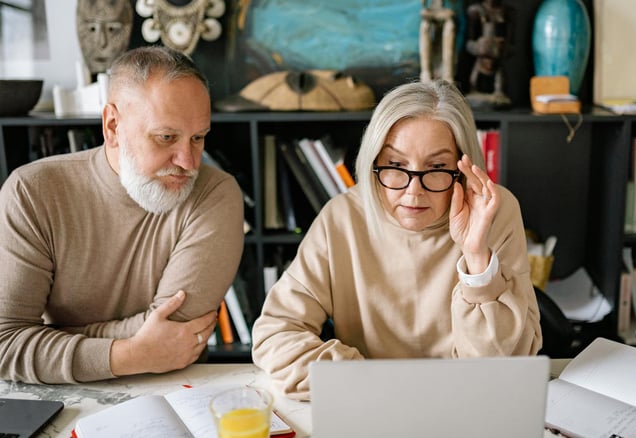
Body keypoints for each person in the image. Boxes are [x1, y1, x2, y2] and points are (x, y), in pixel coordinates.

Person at [251, 79, 542, 401]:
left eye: (437, 167)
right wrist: (372, 382)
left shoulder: (494, 211)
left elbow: (505, 365)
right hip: (370, 401)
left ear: (463, 167)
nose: (412, 191)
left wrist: (476, 258)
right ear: (372, 160)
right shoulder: (343, 216)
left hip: (465, 403)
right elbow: (275, 334)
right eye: (395, 165)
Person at [0, 46, 244, 384]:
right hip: (58, 397)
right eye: (166, 137)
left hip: (175, 390)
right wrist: (128, 354)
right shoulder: (32, 192)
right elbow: (6, 344)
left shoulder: (215, 193)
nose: (189, 162)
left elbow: (177, 333)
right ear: (113, 126)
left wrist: (52, 335)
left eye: (198, 138)